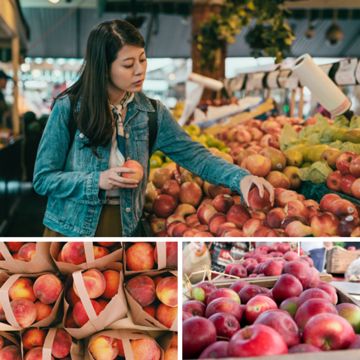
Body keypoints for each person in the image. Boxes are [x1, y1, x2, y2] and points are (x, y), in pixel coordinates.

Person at [33, 19, 274, 237]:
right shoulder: (69, 108)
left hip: (125, 229)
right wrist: (98, 180)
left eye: (143, 59)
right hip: (70, 231)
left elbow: (196, 156)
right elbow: (43, 179)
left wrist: (240, 178)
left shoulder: (151, 113)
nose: (140, 70)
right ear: (104, 67)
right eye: (128, 64)